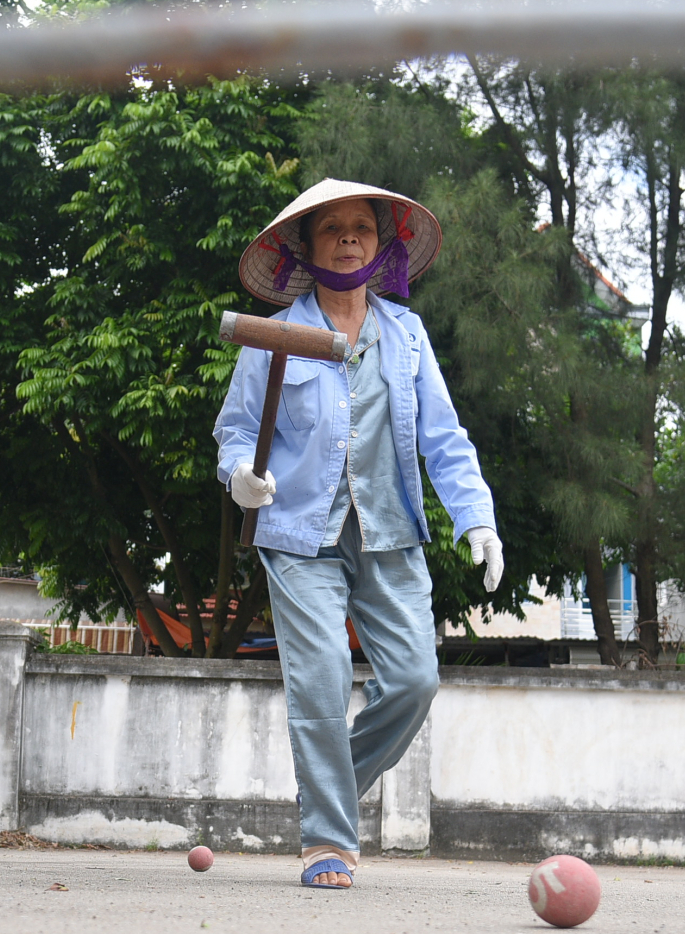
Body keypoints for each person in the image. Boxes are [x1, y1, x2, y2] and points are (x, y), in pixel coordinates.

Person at [215, 179, 504, 889]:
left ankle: (325, 788)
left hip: (388, 530)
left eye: (362, 229)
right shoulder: (275, 335)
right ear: (306, 250)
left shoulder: (406, 335)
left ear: (381, 248)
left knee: (414, 681)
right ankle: (327, 841)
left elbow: (445, 437)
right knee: (321, 680)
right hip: (297, 533)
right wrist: (239, 478)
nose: (349, 236)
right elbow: (236, 432)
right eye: (332, 228)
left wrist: (477, 518)